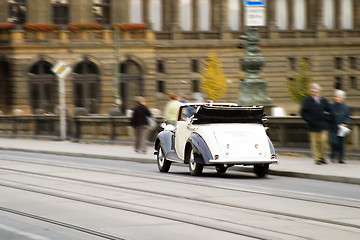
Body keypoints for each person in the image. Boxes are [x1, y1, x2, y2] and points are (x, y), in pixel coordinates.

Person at [300, 83, 331, 165]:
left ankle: (322, 156)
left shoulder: (323, 100)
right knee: (315, 143)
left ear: (319, 90)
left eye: (315, 90)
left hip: (323, 125)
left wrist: (326, 117)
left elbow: (329, 111)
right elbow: (303, 112)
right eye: (312, 90)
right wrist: (309, 119)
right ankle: (317, 158)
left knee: (323, 141)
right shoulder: (307, 100)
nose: (314, 91)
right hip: (312, 125)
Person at [329, 90, 351, 164]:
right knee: (334, 143)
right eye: (336, 97)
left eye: (339, 97)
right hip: (333, 127)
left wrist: (345, 123)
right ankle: (333, 155)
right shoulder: (331, 106)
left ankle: (340, 159)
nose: (337, 98)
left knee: (341, 144)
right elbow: (329, 115)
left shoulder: (346, 107)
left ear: (343, 98)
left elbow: (347, 116)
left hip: (341, 128)